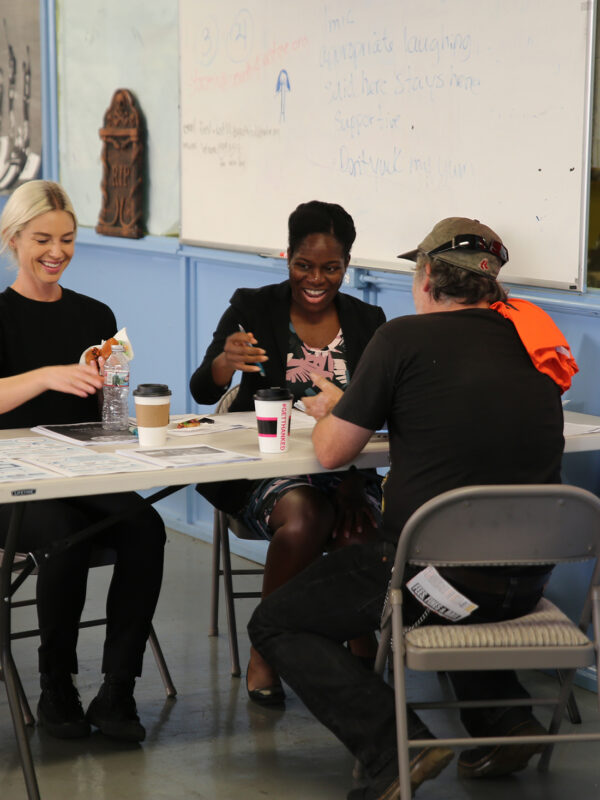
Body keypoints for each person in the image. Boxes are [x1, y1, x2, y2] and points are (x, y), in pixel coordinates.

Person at [248, 217, 577, 799]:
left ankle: (392, 751)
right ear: (491, 285)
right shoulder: (534, 343)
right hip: (525, 586)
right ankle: (502, 724)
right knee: (460, 564)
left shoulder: (401, 339)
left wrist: (339, 408)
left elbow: (330, 454)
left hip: (434, 587)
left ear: (425, 277)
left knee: (277, 620)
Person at [190, 200, 386, 704]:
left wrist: (349, 480)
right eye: (304, 265)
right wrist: (223, 363)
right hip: (267, 476)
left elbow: (378, 412)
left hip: (347, 471)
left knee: (359, 527)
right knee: (304, 516)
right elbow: (202, 393)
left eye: (331, 268)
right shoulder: (253, 307)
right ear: (287, 258)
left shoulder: (369, 320)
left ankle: (359, 643)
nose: (316, 279)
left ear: (347, 265)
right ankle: (265, 649)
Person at [0, 180, 166, 742]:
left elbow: (109, 412)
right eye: (42, 239)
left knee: (146, 525)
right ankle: (57, 685)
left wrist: (121, 395)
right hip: (13, 485)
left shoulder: (95, 314)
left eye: (67, 239)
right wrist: (47, 375)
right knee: (62, 534)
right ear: (14, 239)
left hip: (81, 467)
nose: (56, 252)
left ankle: (118, 687)